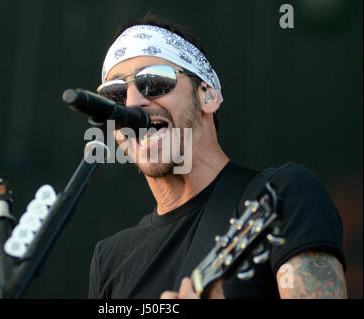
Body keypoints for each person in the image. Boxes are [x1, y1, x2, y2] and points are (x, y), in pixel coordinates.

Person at [88, 13, 347, 299]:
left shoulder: (280, 195)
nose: (133, 102)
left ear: (208, 96)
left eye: (153, 82)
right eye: (116, 96)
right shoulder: (109, 260)